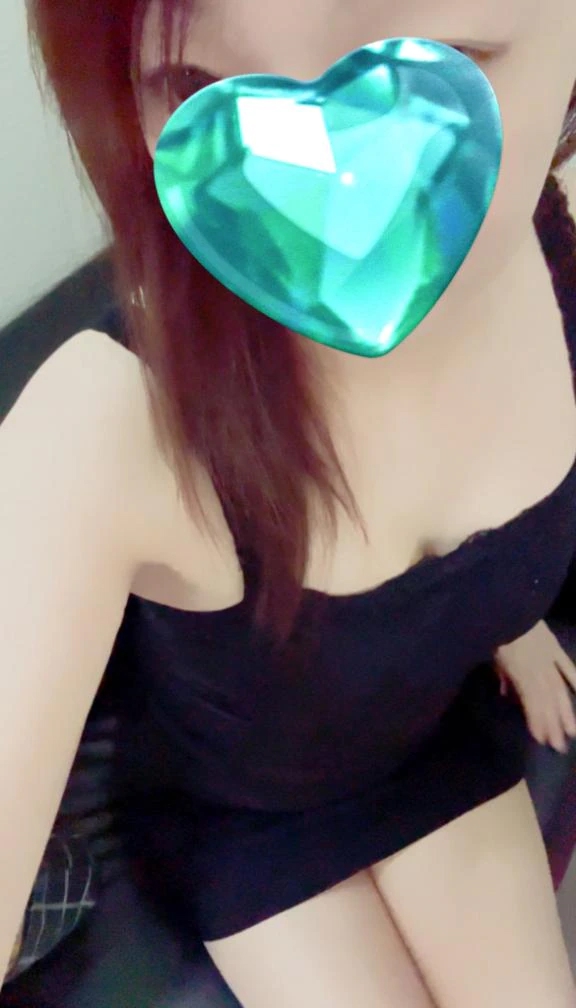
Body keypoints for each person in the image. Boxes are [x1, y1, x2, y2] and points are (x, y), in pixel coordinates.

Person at [2, 0, 576, 1005]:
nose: (337, 203)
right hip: (248, 816)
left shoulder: (544, 247)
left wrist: (509, 611)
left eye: (443, 60)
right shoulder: (109, 424)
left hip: (431, 739)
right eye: (197, 88)